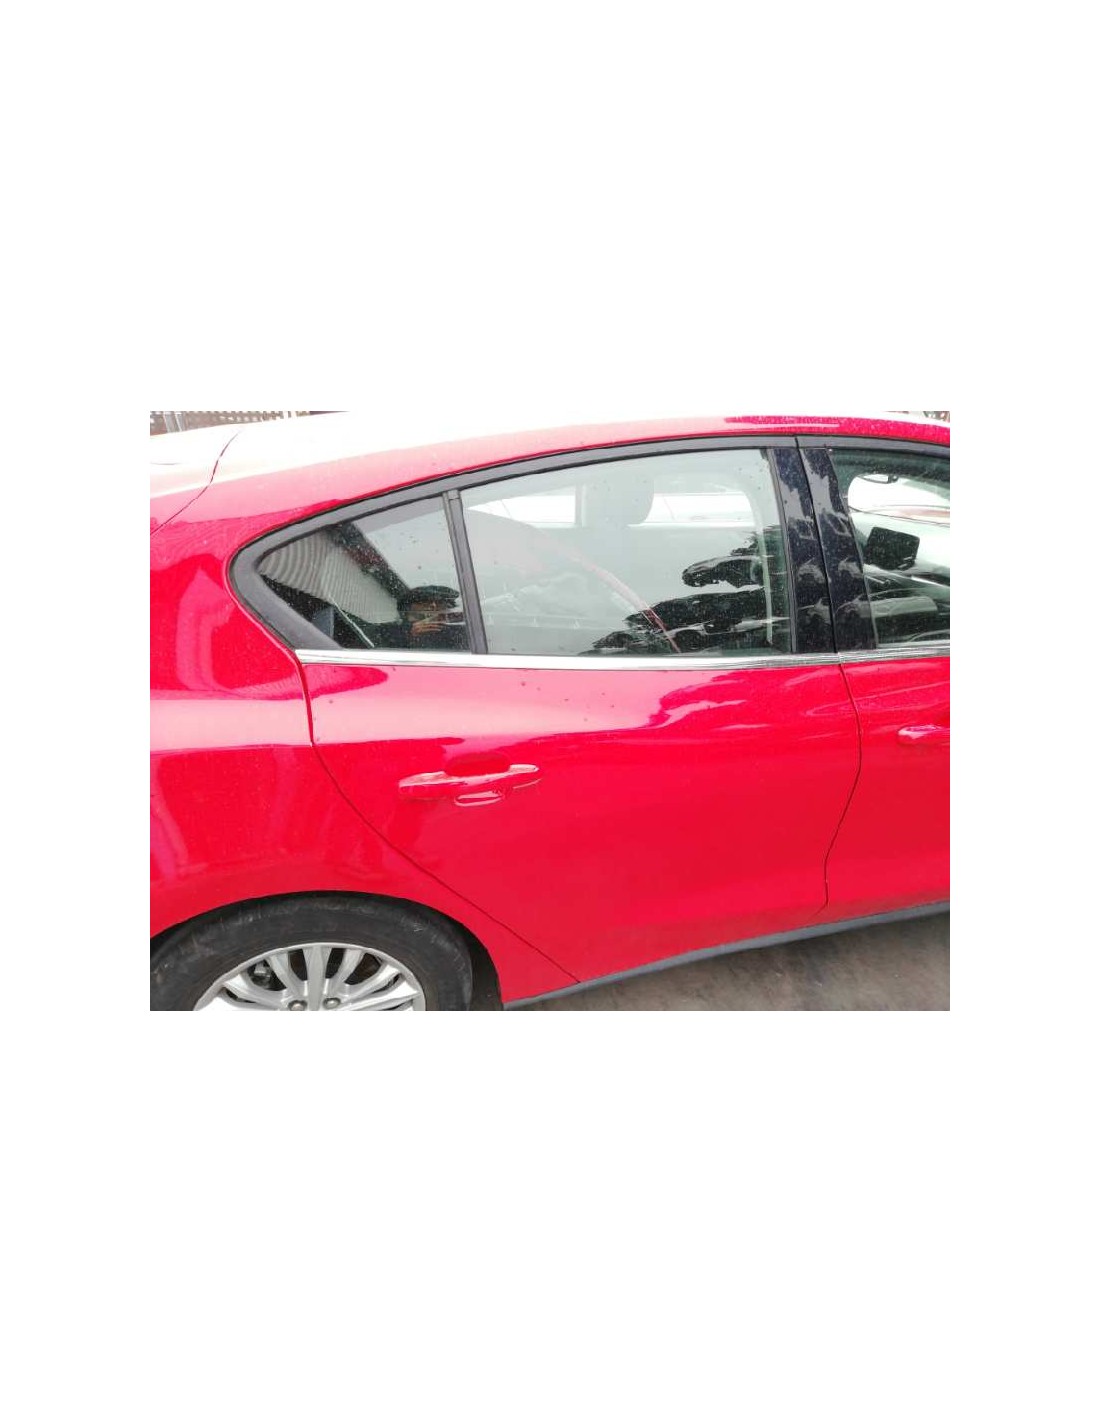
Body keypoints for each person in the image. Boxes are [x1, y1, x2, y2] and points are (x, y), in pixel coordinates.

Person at [373, 586, 467, 650]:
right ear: (407, 607)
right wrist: (409, 636)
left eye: (440, 602)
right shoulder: (387, 631)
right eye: (425, 600)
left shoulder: (458, 631)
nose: (433, 605)